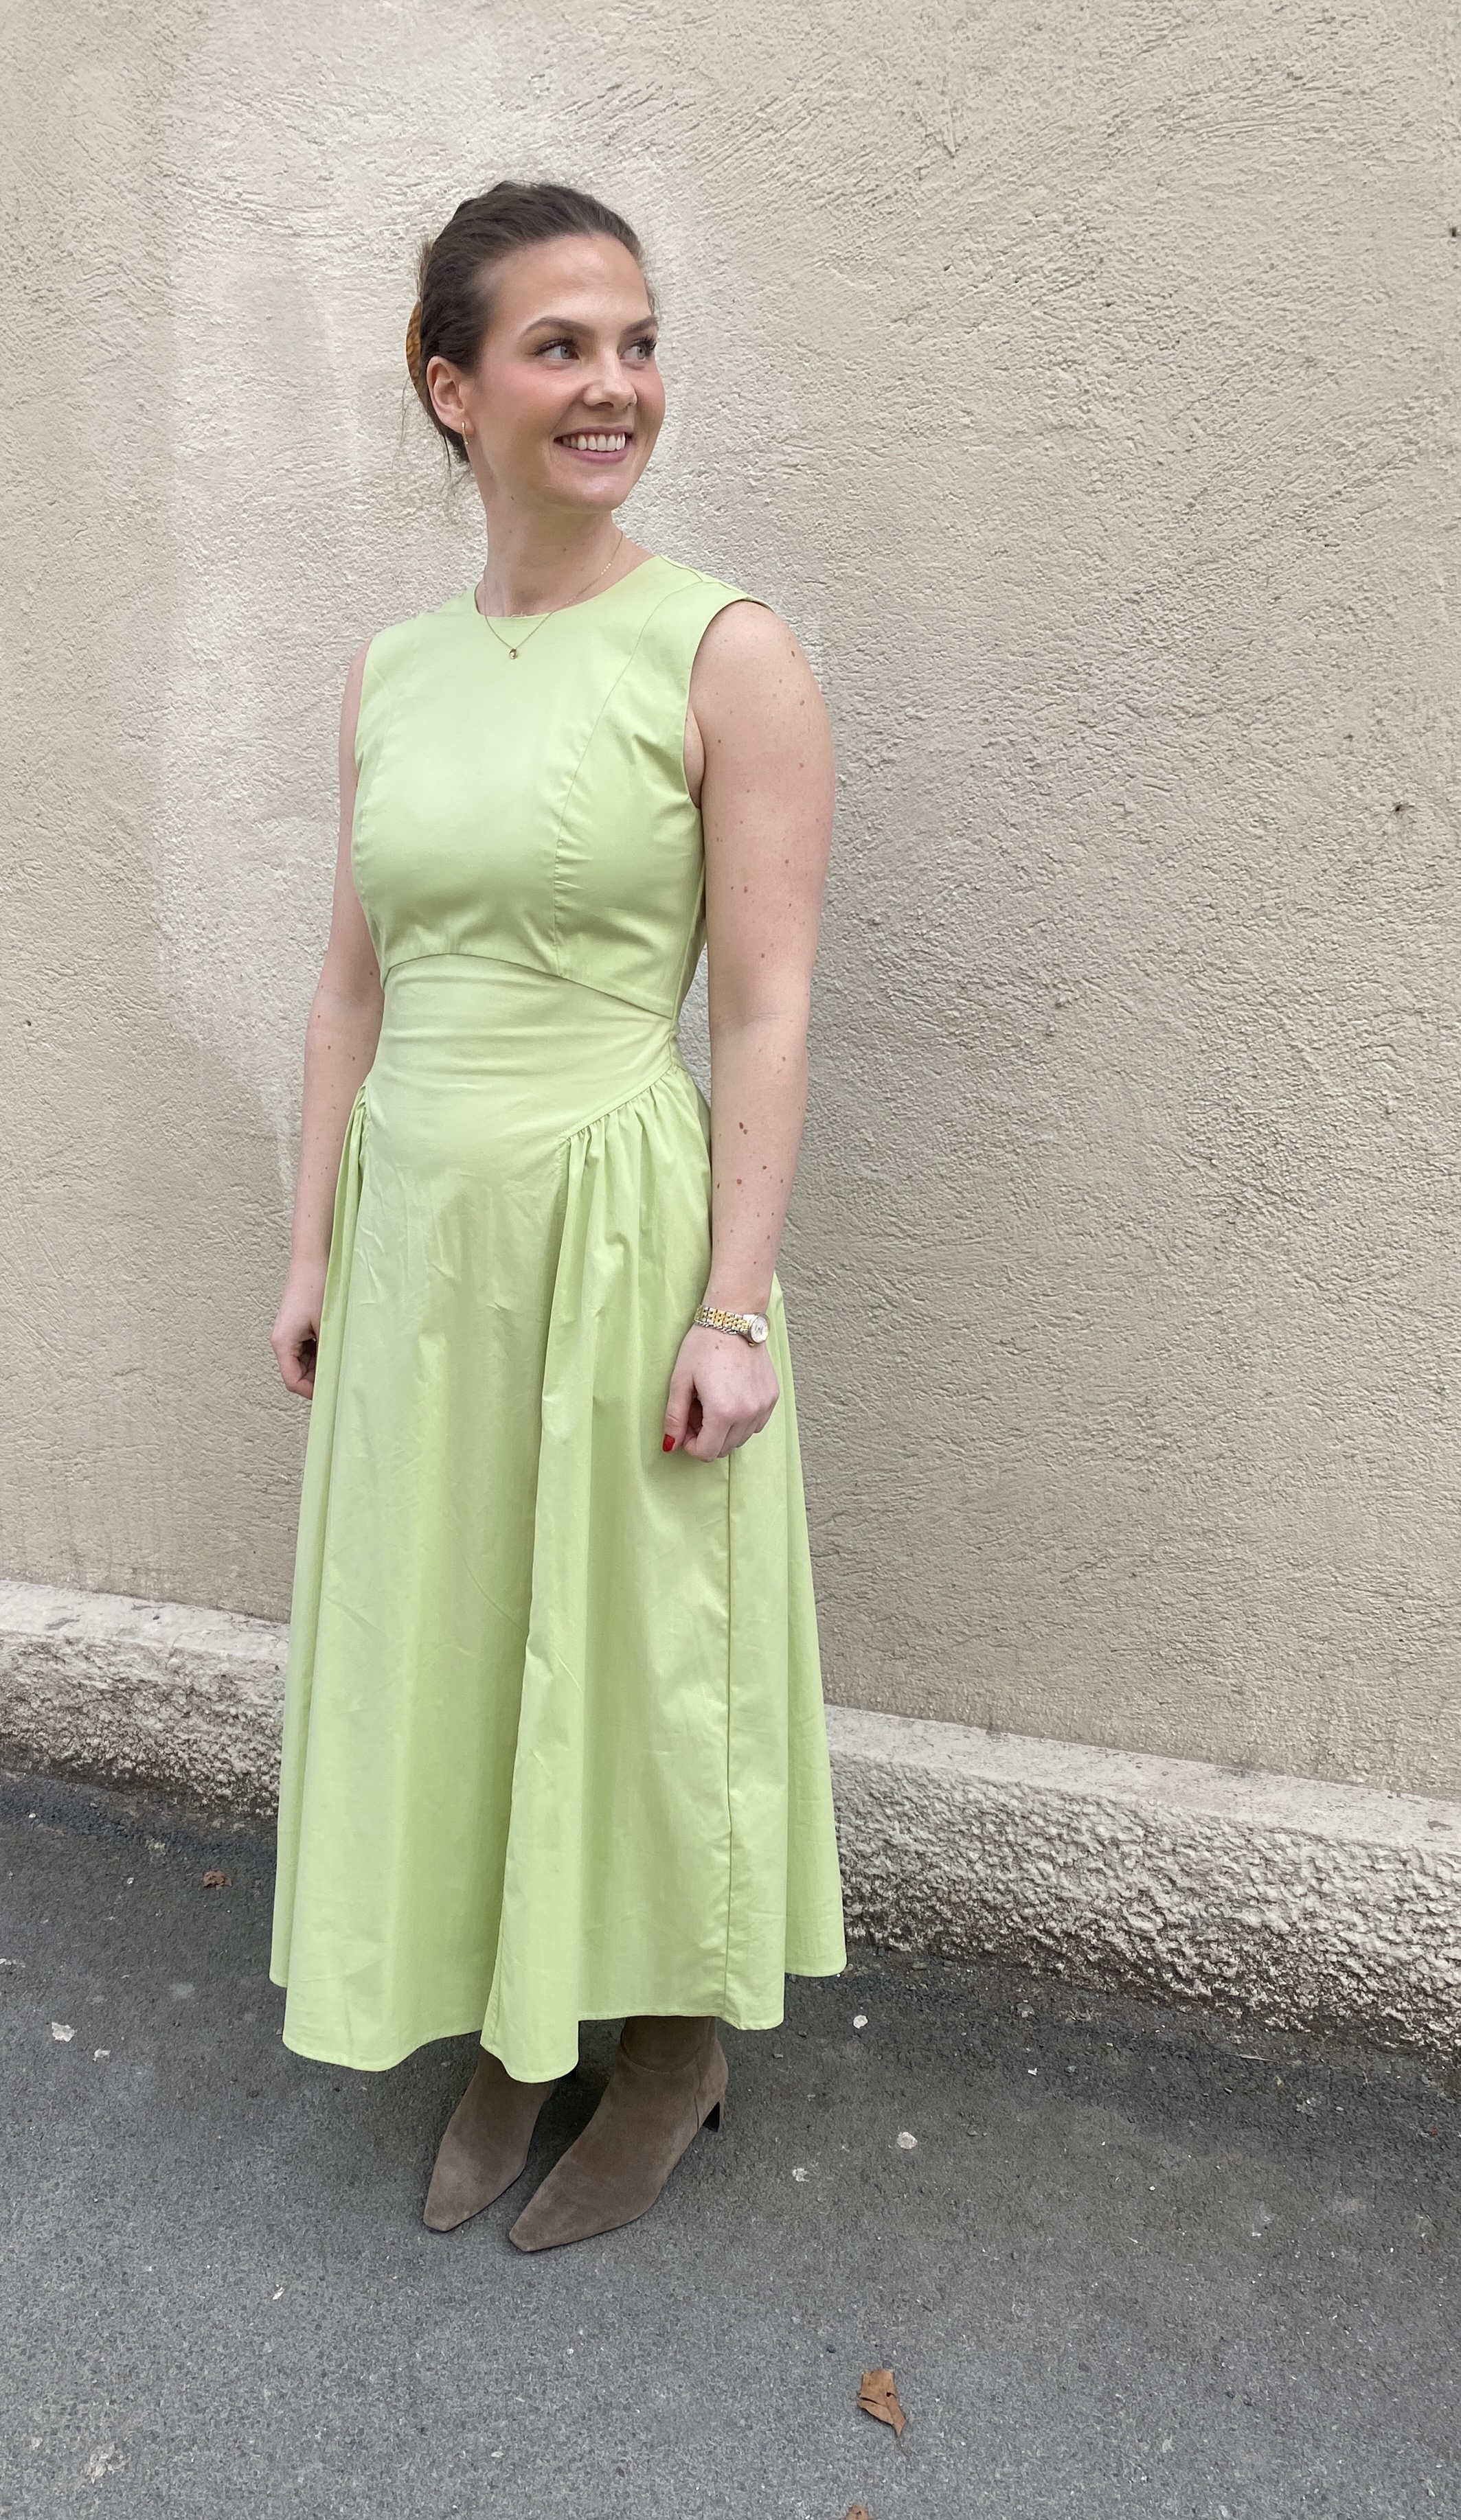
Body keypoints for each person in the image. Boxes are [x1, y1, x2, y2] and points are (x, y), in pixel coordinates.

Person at [267, 181, 846, 2253]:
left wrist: (733, 1308)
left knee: (635, 1643)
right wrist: (315, 1248)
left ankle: (673, 2047)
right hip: (422, 1234)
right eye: (560, 347)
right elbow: (352, 989)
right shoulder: (394, 673)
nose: (616, 386)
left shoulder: (724, 653)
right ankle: (519, 2020)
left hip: (618, 1220)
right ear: (454, 389)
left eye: (637, 343)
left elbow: (765, 1007)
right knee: (460, 1631)